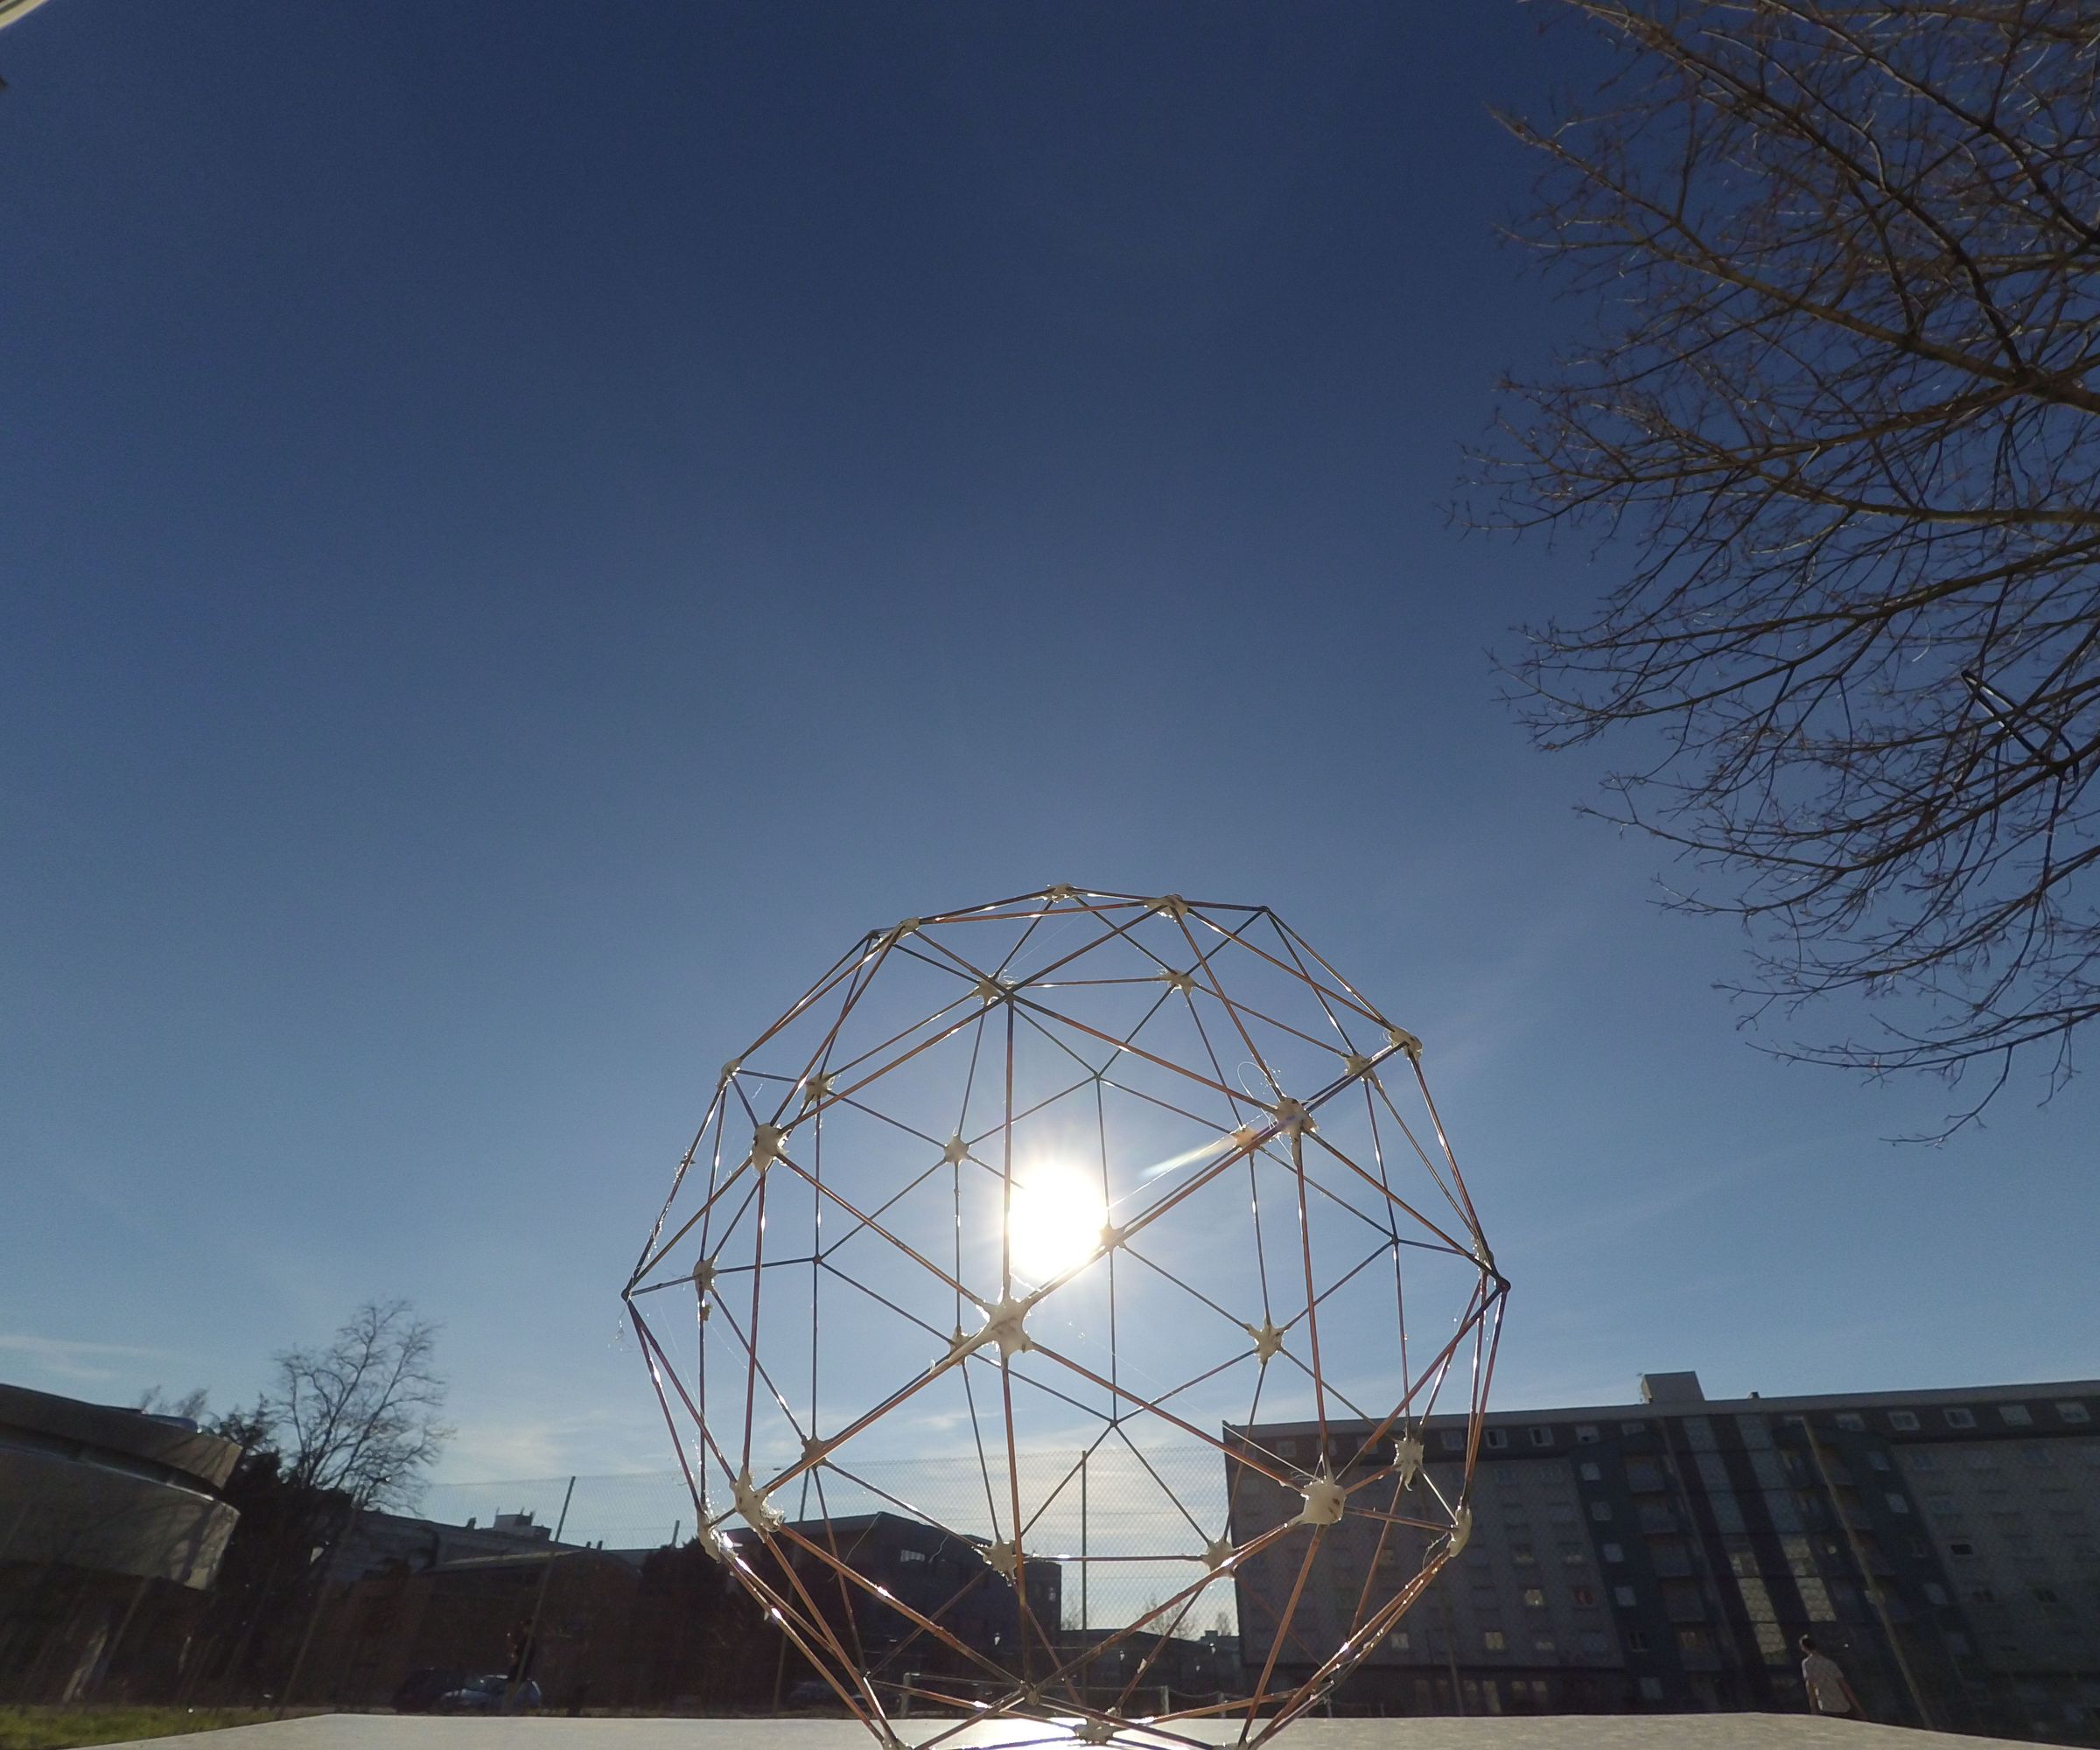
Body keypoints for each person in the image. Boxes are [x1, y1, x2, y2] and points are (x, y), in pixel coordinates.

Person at [1800, 1634, 1863, 1719]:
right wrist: (1857, 1707)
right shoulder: (1830, 1663)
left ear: (1804, 1648)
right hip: (1842, 1705)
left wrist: (1813, 1708)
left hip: (1826, 1706)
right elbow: (1844, 1685)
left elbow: (1810, 1686)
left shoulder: (1807, 1663)